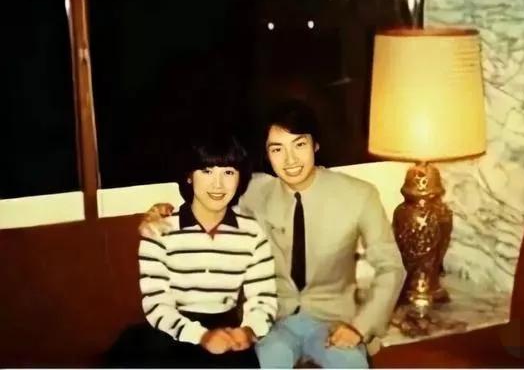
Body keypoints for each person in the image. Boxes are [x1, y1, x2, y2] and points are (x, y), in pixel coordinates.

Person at [140, 99, 406, 368]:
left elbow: (391, 267)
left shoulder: (359, 195)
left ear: (315, 145)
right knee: (269, 361)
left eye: (299, 145)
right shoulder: (253, 190)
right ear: (267, 155)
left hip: (334, 321)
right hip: (273, 323)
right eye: (277, 149)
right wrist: (161, 211)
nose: (290, 160)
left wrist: (360, 327)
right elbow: (209, 197)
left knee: (350, 364)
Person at [107, 133, 277, 368]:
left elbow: (263, 298)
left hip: (226, 330)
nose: (217, 184)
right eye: (206, 171)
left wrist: (248, 330)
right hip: (171, 331)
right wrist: (201, 337)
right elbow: (157, 304)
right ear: (189, 176)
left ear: (240, 179)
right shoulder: (159, 228)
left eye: (228, 172)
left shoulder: (252, 232)